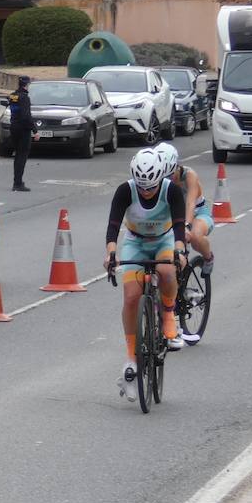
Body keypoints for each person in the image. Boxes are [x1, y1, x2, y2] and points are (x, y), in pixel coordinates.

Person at [104, 149, 189, 403]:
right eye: (142, 188)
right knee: (131, 296)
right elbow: (113, 225)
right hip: (135, 242)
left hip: (164, 240)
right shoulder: (125, 191)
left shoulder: (171, 191)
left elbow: (179, 225)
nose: (146, 192)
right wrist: (110, 253)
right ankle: (132, 357)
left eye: (150, 188)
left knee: (165, 269)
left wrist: (180, 250)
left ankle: (168, 316)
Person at [154, 141, 215, 298]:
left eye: (169, 176)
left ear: (176, 167)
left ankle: (208, 257)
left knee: (194, 236)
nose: (167, 180)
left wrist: (186, 225)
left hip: (197, 214)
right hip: (174, 216)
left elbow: (190, 203)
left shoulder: (189, 175)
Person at [4, 75, 35, 191]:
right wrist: (35, 130)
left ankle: (17, 181)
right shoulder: (25, 97)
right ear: (27, 85)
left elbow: (11, 106)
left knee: (17, 155)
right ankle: (18, 183)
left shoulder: (13, 95)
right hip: (23, 130)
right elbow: (26, 116)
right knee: (22, 156)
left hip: (14, 127)